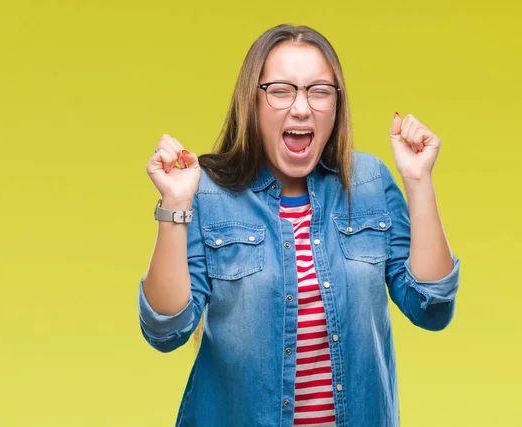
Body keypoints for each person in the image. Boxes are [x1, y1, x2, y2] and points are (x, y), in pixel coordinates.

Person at [138, 24, 460, 427]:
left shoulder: (370, 182)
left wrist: (418, 181)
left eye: (319, 90)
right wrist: (175, 204)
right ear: (251, 102)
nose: (302, 107)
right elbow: (165, 331)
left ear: (336, 106)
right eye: (281, 90)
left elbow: (431, 306)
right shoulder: (207, 193)